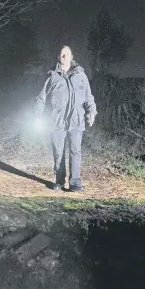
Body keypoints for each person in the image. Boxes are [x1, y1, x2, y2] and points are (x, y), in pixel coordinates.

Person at [34, 45, 97, 191]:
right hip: (57, 121)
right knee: (58, 152)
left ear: (72, 56)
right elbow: (41, 98)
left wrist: (91, 112)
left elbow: (89, 97)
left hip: (76, 120)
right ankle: (59, 181)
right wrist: (37, 116)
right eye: (62, 54)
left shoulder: (81, 75)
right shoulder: (52, 76)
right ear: (58, 57)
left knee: (75, 151)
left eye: (67, 54)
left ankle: (75, 182)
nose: (64, 56)